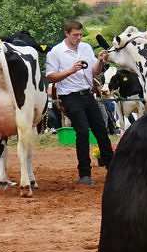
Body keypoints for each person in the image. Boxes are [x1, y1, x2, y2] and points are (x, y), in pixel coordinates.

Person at [45, 17, 111, 186]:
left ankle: (112, 166)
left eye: (81, 35)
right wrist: (70, 70)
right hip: (69, 96)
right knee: (82, 131)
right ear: (66, 34)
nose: (79, 38)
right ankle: (85, 173)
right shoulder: (56, 52)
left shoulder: (86, 48)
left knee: (101, 129)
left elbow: (94, 72)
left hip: (88, 93)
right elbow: (51, 76)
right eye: (75, 35)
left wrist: (99, 61)